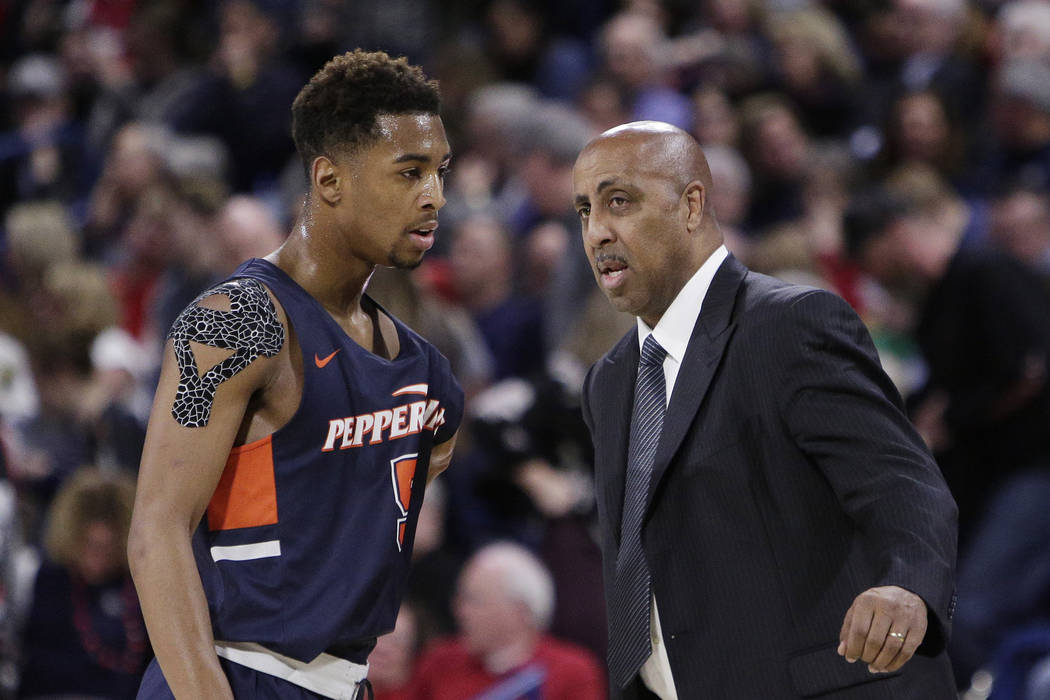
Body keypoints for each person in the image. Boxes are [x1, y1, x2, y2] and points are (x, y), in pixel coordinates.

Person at [572, 121, 958, 699]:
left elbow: (903, 483)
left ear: (692, 205)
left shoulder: (789, 325)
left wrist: (908, 587)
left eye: (618, 202)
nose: (598, 231)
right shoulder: (607, 382)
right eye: (583, 211)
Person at [127, 50, 464, 700]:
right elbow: (155, 530)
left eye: (440, 172)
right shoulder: (237, 323)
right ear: (330, 180)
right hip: (235, 673)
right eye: (410, 172)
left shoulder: (425, 373)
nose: (435, 196)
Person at [410, 542, 606, 700]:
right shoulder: (440, 662)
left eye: (474, 600)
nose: (460, 611)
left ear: (519, 611)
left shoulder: (571, 671)